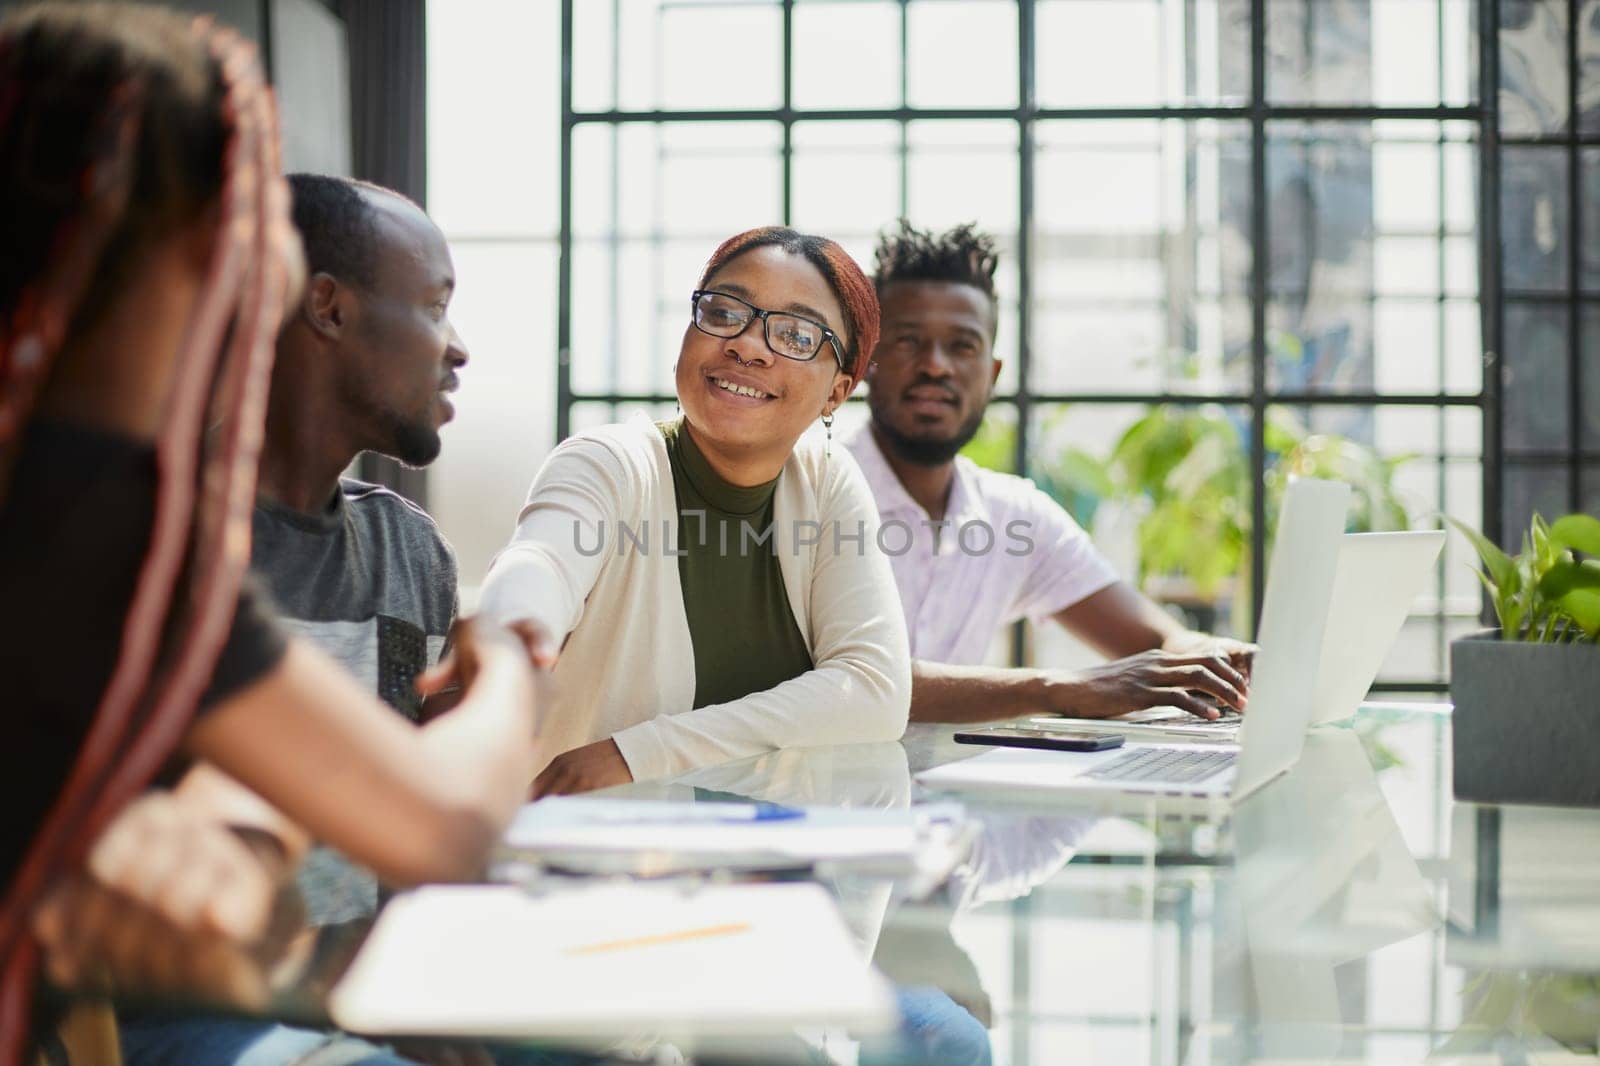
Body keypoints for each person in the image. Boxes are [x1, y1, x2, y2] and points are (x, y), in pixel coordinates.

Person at [0, 6, 540, 1059]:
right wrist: (509, 665)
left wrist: (216, 822)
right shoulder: (100, 517)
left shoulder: (79, 499)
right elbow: (440, 819)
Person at [479, 226, 911, 794]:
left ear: (837, 391)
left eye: (795, 334)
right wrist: (511, 635)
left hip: (770, 868)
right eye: (725, 311)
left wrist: (637, 754)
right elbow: (541, 563)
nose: (748, 345)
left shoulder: (826, 482)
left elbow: (874, 692)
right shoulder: (609, 464)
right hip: (591, 856)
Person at [848, 221, 1253, 724]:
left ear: (992, 376)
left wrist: (1220, 657)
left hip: (944, 794)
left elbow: (1158, 639)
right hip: (804, 795)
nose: (936, 367)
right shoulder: (805, 493)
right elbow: (846, 682)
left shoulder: (1013, 514)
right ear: (866, 361)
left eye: (962, 346)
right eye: (909, 342)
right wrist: (1058, 689)